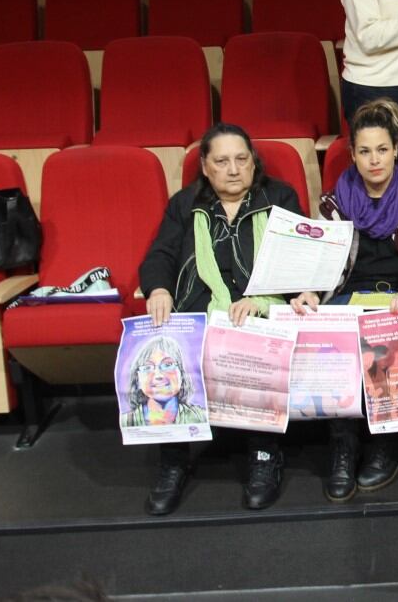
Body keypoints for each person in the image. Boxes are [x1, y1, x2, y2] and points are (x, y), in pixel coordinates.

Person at [138, 123, 305, 515]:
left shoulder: (279, 197)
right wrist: (159, 289)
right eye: (222, 161)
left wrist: (268, 299)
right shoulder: (185, 204)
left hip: (261, 310)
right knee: (167, 347)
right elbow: (159, 255)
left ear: (253, 162)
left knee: (254, 338)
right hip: (201, 309)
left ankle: (263, 453)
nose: (233, 169)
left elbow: (301, 256)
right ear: (206, 167)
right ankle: (174, 460)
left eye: (242, 159)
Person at [292, 99, 398, 502]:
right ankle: (344, 444)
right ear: (352, 155)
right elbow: (324, 263)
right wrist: (310, 293)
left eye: (382, 149)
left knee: (386, 340)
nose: (374, 160)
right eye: (364, 151)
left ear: (395, 149)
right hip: (346, 295)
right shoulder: (334, 200)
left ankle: (388, 443)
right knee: (331, 338)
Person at [122, 336, 208, 428]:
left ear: (182, 374)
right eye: (147, 367)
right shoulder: (126, 422)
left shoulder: (202, 417)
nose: (158, 375)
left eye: (167, 365)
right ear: (137, 380)